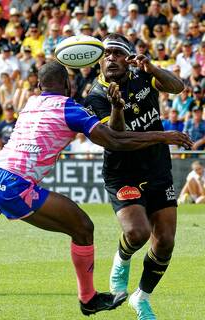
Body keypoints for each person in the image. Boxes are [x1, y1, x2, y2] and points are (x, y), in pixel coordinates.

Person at [0, 61, 191, 320]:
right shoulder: (71, 109)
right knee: (83, 227)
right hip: (14, 183)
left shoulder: (30, 102)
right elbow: (114, 140)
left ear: (40, 85)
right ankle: (88, 299)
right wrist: (163, 135)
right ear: (68, 84)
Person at [84, 33, 186, 319]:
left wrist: (152, 68)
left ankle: (141, 297)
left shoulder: (143, 76)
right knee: (137, 233)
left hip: (157, 169)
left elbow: (178, 87)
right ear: (98, 61)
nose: (111, 58)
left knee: (165, 241)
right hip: (122, 173)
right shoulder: (95, 96)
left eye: (117, 53)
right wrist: (118, 108)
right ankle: (122, 259)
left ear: (128, 58)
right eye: (106, 54)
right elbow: (117, 137)